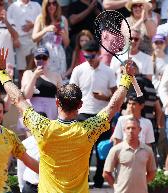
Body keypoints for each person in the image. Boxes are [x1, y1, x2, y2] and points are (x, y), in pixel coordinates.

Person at [0, 47, 135, 192]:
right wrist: (126, 79)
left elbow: (18, 99)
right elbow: (113, 106)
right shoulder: (89, 129)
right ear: (80, 105)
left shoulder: (42, 127)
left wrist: (2, 73)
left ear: (57, 102)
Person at [69, 40, 117, 188]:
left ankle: (99, 180)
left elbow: (116, 95)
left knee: (102, 149)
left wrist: (105, 97)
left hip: (102, 114)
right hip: (83, 114)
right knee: (84, 151)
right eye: (86, 56)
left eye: (92, 56)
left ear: (99, 55)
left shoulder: (108, 71)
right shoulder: (78, 70)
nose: (89, 60)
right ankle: (84, 181)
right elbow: (71, 91)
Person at [103, 116, 156, 193]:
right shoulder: (116, 149)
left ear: (139, 130)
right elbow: (106, 173)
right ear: (124, 130)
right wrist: (116, 187)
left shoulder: (147, 150)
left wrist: (142, 184)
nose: (131, 131)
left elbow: (152, 172)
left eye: (133, 128)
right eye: (128, 128)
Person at [32, 0, 70, 77]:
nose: (51, 6)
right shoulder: (40, 18)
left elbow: (67, 43)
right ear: (45, 6)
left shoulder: (62, 19)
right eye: (49, 4)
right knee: (44, 78)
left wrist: (63, 34)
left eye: (54, 3)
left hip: (58, 53)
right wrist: (46, 30)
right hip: (44, 53)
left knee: (59, 79)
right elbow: (34, 38)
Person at [7, 0, 41, 84]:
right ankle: (23, 89)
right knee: (21, 68)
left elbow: (42, 20)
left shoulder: (36, 5)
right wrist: (14, 39)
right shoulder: (12, 7)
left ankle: (34, 88)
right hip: (20, 40)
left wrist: (33, 25)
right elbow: (8, 24)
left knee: (36, 66)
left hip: (35, 39)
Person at [17, 111, 47, 193]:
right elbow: (21, 168)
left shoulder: (55, 143)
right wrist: (21, 187)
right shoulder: (25, 144)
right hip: (30, 187)